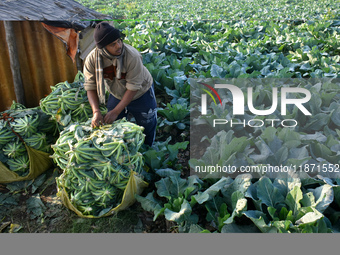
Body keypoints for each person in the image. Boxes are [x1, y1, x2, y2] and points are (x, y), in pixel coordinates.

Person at [83, 22, 157, 146]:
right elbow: (90, 86)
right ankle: (124, 151)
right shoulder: (92, 60)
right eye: (113, 44)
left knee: (147, 123)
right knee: (112, 125)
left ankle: (149, 148)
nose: (119, 45)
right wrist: (96, 112)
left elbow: (133, 87)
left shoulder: (132, 56)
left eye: (119, 41)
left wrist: (116, 111)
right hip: (116, 92)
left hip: (141, 91)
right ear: (102, 48)